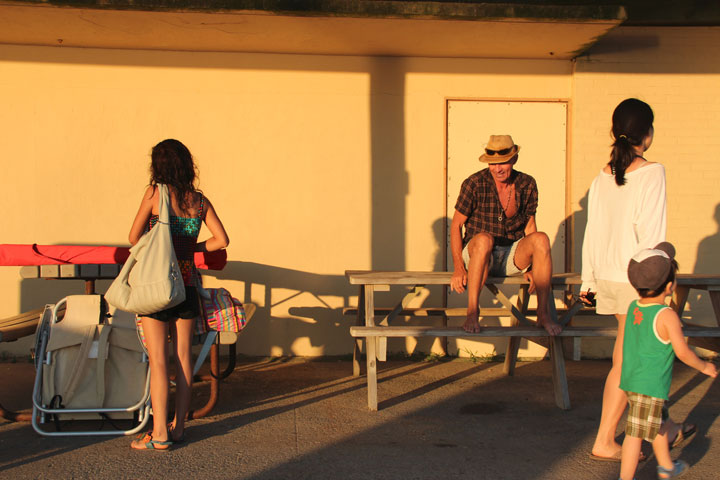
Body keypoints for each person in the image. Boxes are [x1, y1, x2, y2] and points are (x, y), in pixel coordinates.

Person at [582, 98, 692, 462]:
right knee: (634, 363)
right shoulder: (652, 172)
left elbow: (592, 231)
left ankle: (665, 427)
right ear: (647, 134)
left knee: (630, 359)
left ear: (615, 133)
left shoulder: (602, 175)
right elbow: (652, 235)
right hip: (638, 280)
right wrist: (657, 286)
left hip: (610, 279)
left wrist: (588, 281)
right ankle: (607, 440)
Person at [129, 139, 229, 450]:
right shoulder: (199, 202)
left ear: (157, 166)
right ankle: (179, 427)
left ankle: (159, 433)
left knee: (158, 360)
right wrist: (190, 250)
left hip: (156, 286)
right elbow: (221, 240)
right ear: (187, 164)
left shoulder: (155, 194)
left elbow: (133, 237)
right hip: (185, 285)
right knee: (184, 358)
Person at [618, 242, 717, 480]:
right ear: (670, 286)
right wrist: (704, 366)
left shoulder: (634, 307)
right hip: (649, 386)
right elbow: (682, 352)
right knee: (635, 435)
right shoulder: (667, 315)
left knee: (659, 423)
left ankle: (667, 468)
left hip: (633, 380)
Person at [450, 134, 560, 336]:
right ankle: (473, 312)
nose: (498, 168)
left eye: (503, 162)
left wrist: (533, 266)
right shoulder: (474, 183)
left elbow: (530, 226)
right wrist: (458, 268)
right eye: (493, 163)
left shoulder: (527, 184)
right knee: (484, 240)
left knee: (541, 238)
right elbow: (456, 226)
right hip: (478, 254)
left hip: (510, 254)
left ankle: (543, 314)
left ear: (514, 159)